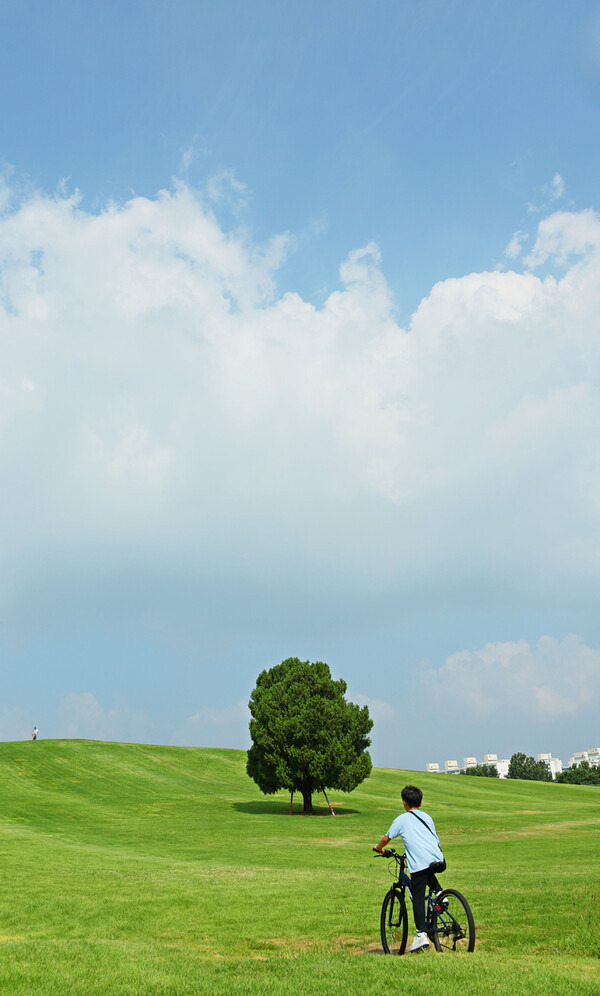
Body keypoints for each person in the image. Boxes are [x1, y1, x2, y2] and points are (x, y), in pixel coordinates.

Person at [373, 784, 445, 953]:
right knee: (428, 873)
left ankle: (421, 936)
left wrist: (378, 848)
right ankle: (442, 895)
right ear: (421, 803)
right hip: (437, 859)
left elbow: (386, 838)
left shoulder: (402, 819)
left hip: (419, 863)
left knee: (418, 897)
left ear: (404, 803)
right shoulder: (427, 817)